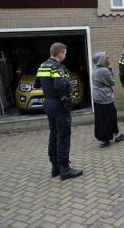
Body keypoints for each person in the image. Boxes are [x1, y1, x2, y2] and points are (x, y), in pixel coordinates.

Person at [34, 42, 83, 180]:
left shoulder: (42, 66)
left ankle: (55, 167)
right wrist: (67, 82)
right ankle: (65, 169)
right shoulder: (58, 68)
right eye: (65, 53)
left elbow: (36, 84)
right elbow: (60, 85)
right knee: (63, 136)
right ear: (60, 53)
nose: (65, 55)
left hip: (48, 104)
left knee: (54, 134)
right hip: (60, 106)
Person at [92, 52, 124, 148]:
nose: (108, 60)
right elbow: (112, 82)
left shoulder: (95, 69)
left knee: (103, 117)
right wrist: (110, 69)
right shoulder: (104, 70)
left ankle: (116, 134)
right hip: (105, 98)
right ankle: (105, 139)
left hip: (97, 97)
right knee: (108, 117)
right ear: (101, 60)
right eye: (107, 58)